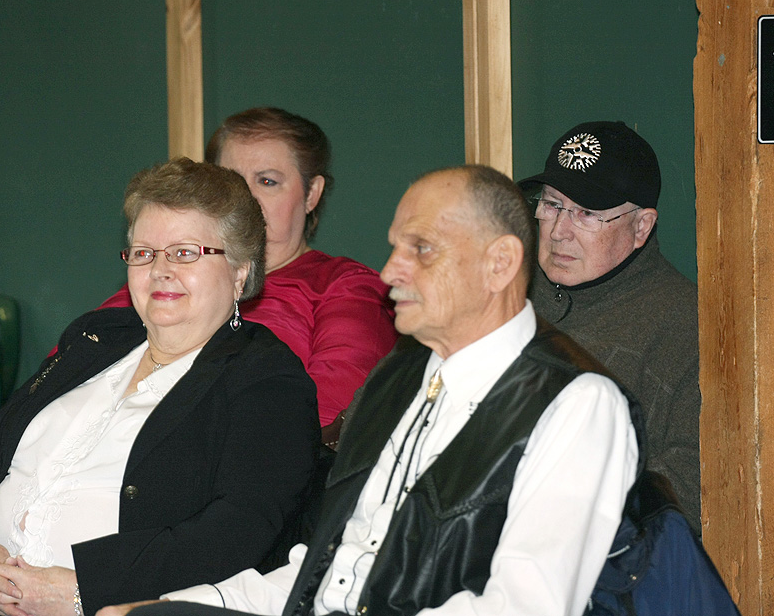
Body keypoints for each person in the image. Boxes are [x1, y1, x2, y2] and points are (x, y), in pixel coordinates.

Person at [99, 165, 641, 616]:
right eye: (394, 248)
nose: (390, 272)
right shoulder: (397, 380)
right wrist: (181, 604)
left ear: (498, 264)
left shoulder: (578, 404)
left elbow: (525, 606)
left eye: (421, 249)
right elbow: (330, 569)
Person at [0, 158, 320, 616]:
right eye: (145, 252)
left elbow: (237, 531)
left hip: (109, 605)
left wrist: (77, 587)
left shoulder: (266, 378)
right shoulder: (98, 339)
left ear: (239, 271)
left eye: (186, 253)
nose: (160, 269)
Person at [96, 108, 397, 445]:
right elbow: (63, 378)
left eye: (267, 181)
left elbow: (325, 416)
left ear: (311, 194)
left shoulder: (342, 287)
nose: (247, 199)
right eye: (231, 181)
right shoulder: (163, 276)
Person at [516, 120, 701, 529]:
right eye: (551, 204)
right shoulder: (504, 291)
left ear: (641, 227)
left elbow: (694, 482)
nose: (560, 232)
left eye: (586, 213)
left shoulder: (687, 325)